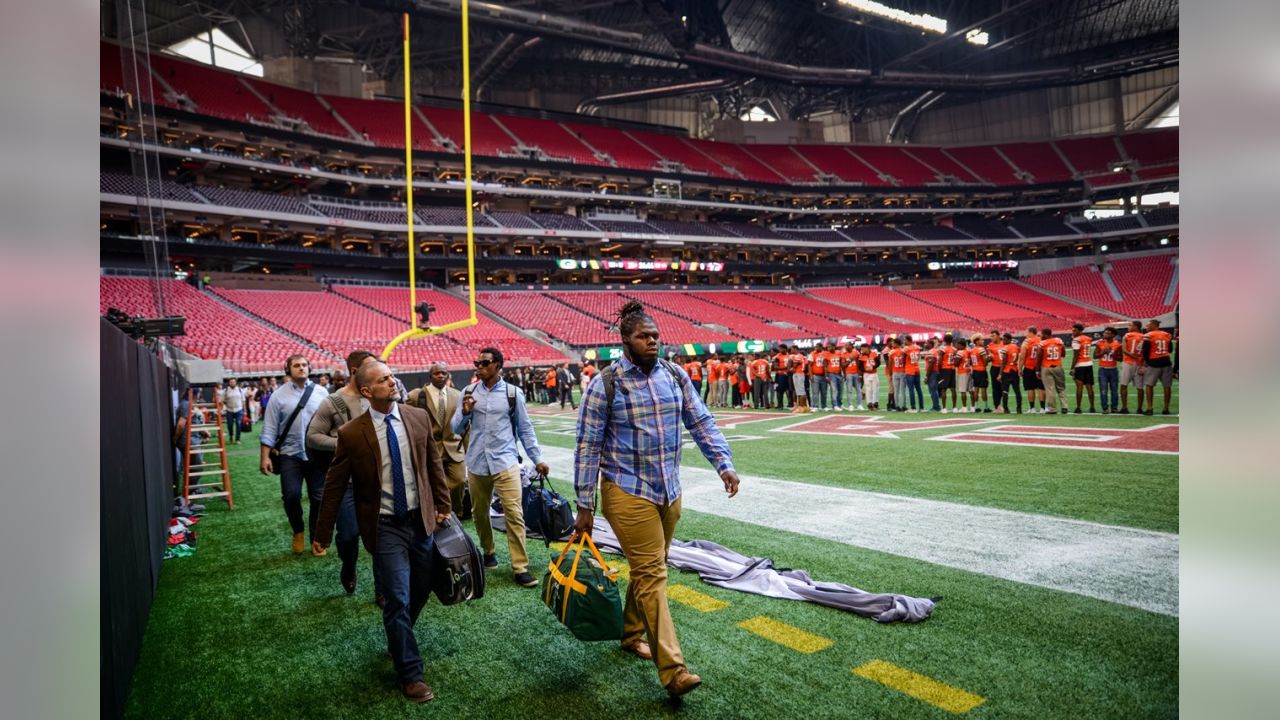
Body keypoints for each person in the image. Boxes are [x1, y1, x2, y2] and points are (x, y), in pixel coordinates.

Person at [573, 300, 740, 699]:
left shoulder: (674, 375)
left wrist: (724, 464)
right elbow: (587, 446)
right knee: (652, 573)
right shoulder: (605, 383)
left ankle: (631, 634)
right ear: (624, 340)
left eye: (655, 336)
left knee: (651, 566)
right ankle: (674, 670)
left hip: (669, 488)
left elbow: (700, 420)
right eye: (643, 337)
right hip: (626, 491)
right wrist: (584, 504)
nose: (652, 342)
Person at [312, 360, 452, 704]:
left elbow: (432, 462)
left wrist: (444, 502)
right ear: (366, 391)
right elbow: (333, 485)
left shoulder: (417, 418)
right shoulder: (351, 433)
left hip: (421, 522)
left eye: (392, 377)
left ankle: (397, 639)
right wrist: (323, 532)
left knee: (421, 589)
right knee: (398, 598)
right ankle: (410, 672)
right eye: (384, 380)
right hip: (385, 526)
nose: (393, 382)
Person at [451, 347, 549, 588]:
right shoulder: (468, 392)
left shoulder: (512, 393)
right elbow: (454, 427)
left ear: (498, 365)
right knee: (479, 512)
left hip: (505, 461)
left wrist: (537, 458)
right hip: (476, 462)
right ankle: (489, 551)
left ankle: (520, 567)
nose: (479, 366)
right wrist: (465, 413)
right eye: (477, 362)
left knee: (514, 513)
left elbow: (525, 429)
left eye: (484, 363)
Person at [306, 350, 379, 599]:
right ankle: (348, 567)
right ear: (356, 372)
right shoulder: (333, 402)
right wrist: (343, 443)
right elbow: (313, 436)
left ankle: (383, 589)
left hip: (379, 480)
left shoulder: (381, 396)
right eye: (371, 369)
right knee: (348, 535)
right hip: (348, 482)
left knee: (383, 537)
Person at [260, 354, 329, 554]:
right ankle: (297, 531)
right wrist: (264, 456)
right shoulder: (278, 396)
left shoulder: (321, 392)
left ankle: (316, 538)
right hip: (290, 454)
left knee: (319, 498)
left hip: (317, 454)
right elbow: (270, 428)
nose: (301, 368)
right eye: (296, 365)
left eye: (304, 365)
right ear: (288, 369)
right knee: (291, 496)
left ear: (310, 368)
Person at [408, 362, 470, 520]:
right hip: (429, 449)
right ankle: (436, 513)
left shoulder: (457, 395)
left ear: (448, 375)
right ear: (430, 376)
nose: (441, 376)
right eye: (437, 373)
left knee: (460, 481)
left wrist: (468, 449)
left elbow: (465, 425)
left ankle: (454, 512)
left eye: (444, 373)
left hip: (454, 448)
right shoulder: (417, 396)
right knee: (431, 482)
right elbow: (407, 422)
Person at [1141, 319, 1175, 415]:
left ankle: (1150, 408)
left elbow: (1145, 351)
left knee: (1149, 385)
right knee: (1167, 386)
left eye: (1148, 325)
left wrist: (1147, 362)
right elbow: (1170, 349)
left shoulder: (1148, 335)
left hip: (1153, 363)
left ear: (1153, 325)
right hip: (1166, 362)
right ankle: (1166, 408)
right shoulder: (1167, 334)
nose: (1146, 327)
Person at [1039, 328, 1068, 414]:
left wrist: (1037, 370)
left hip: (1046, 367)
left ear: (1046, 334)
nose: (1041, 336)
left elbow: (1039, 357)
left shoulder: (1042, 343)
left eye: (1042, 334)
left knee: (1050, 389)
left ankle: (1052, 408)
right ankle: (1064, 407)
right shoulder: (1058, 341)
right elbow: (1063, 354)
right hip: (1058, 366)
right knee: (1061, 387)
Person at [1120, 320, 1147, 415]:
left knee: (1123, 385)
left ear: (1135, 326)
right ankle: (1139, 408)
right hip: (1140, 363)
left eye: (1130, 325)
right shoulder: (1144, 337)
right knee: (1140, 387)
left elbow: (1124, 350)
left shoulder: (1127, 335)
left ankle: (1124, 408)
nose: (1128, 326)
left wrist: (1133, 356)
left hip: (1128, 362)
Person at [1070, 323, 1097, 414]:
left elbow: (1076, 355)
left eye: (1075, 330)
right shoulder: (1088, 338)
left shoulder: (1076, 340)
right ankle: (1092, 407)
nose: (1073, 332)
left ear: (1080, 331)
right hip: (1089, 364)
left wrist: (1072, 368)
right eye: (1073, 330)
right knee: (1089, 387)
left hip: (1080, 365)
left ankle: (1078, 407)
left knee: (1079, 387)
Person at [1018, 327, 1045, 413]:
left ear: (1031, 332)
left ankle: (1032, 408)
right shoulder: (1041, 340)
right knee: (1040, 388)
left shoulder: (1027, 341)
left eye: (1026, 332)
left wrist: (1020, 368)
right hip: (1040, 367)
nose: (1025, 334)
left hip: (1029, 367)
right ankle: (1042, 408)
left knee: (1030, 388)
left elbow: (1022, 356)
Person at [1094, 327, 1121, 414]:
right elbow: (1095, 356)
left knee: (1114, 390)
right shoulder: (1100, 343)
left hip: (1113, 369)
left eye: (1108, 333)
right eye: (1105, 333)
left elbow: (1121, 358)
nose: (1105, 334)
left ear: (1113, 335)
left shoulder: (1117, 344)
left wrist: (1113, 355)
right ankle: (1105, 408)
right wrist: (1103, 352)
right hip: (1103, 369)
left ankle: (1114, 407)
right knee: (1103, 390)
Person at [999, 332, 1023, 414]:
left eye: (1005, 339)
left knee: (1005, 391)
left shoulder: (1005, 348)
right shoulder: (1016, 347)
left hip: (1007, 371)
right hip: (1015, 370)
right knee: (1017, 391)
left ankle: (1006, 409)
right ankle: (1019, 408)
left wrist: (1000, 374)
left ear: (1009, 339)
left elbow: (1003, 362)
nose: (1003, 341)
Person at [968, 335, 991, 413]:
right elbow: (985, 363)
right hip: (982, 371)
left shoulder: (972, 350)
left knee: (976, 389)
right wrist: (989, 357)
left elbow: (970, 362)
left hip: (975, 371)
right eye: (981, 340)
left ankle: (976, 406)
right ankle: (986, 407)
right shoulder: (981, 349)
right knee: (983, 389)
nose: (983, 341)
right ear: (977, 341)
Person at [222, 377, 246, 444]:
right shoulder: (225, 390)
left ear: (236, 383)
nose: (232, 383)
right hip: (229, 410)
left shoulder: (240, 390)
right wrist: (224, 407)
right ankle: (231, 436)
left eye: (233, 382)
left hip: (239, 410)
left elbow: (243, 401)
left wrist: (245, 410)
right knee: (230, 425)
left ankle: (238, 439)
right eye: (231, 382)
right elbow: (223, 401)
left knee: (238, 424)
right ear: (229, 383)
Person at [842, 341, 864, 411]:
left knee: (859, 390)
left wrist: (860, 374)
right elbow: (843, 365)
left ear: (851, 346)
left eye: (847, 345)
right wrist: (850, 360)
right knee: (849, 390)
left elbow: (859, 364)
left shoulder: (856, 353)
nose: (846, 347)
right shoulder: (844, 354)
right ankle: (850, 405)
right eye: (845, 345)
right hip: (848, 373)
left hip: (856, 373)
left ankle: (859, 405)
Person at [903, 337, 923, 413]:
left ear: (908, 340)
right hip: (917, 369)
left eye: (905, 340)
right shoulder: (917, 347)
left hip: (909, 370)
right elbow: (918, 357)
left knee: (911, 389)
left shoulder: (906, 349)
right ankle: (921, 407)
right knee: (919, 389)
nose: (904, 341)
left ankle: (913, 407)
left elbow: (903, 359)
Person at [937, 333, 956, 412]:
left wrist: (939, 370)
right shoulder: (954, 349)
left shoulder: (942, 349)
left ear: (944, 340)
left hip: (944, 369)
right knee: (953, 389)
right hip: (952, 369)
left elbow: (939, 361)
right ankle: (954, 407)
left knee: (943, 389)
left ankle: (944, 408)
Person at [953, 338, 973, 413]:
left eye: (957, 344)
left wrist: (955, 357)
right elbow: (971, 361)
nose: (956, 346)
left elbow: (956, 364)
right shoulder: (968, 351)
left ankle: (964, 407)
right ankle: (973, 407)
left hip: (962, 372)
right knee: (971, 390)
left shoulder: (960, 352)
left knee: (963, 391)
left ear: (961, 345)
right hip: (969, 370)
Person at [789, 345, 810, 413]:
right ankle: (804, 406)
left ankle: (801, 407)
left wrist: (792, 368)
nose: (791, 351)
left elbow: (796, 363)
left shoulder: (797, 356)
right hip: (801, 373)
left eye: (792, 349)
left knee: (800, 391)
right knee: (801, 391)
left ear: (795, 349)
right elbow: (806, 364)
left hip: (798, 373)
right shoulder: (802, 356)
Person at [988, 330, 1005, 411]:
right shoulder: (990, 346)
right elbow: (988, 359)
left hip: (1004, 368)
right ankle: (996, 405)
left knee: (1004, 387)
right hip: (995, 368)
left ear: (998, 336)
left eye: (993, 335)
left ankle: (1003, 405)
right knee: (995, 388)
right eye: (991, 336)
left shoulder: (1004, 343)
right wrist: (989, 357)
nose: (992, 337)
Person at [887, 338, 906, 412]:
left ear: (897, 344)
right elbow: (904, 361)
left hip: (895, 372)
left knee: (896, 390)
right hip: (902, 371)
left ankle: (897, 406)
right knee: (903, 390)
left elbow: (890, 364)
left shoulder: (891, 352)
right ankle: (903, 406)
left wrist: (890, 374)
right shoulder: (903, 351)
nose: (892, 344)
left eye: (893, 343)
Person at [810, 344, 830, 411]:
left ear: (821, 347)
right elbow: (809, 365)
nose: (816, 348)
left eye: (817, 347)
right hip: (815, 375)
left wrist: (827, 375)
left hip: (823, 376)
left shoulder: (826, 353)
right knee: (815, 392)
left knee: (824, 392)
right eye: (815, 347)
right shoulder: (812, 354)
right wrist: (811, 375)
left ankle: (824, 406)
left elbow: (827, 365)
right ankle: (815, 406)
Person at [861, 343, 880, 411]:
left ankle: (875, 403)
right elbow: (860, 366)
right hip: (866, 374)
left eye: (863, 348)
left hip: (874, 373)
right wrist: (865, 369)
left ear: (867, 348)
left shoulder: (874, 353)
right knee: (868, 389)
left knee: (875, 389)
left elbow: (878, 362)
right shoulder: (861, 356)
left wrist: (873, 367)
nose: (862, 350)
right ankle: (869, 404)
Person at [924, 338, 942, 412]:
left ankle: (936, 406)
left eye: (926, 343)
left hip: (932, 373)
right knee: (934, 390)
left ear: (930, 344)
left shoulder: (931, 352)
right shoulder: (936, 351)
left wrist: (927, 376)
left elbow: (931, 364)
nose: (925, 344)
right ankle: (936, 405)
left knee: (932, 390)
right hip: (936, 371)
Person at [773, 345, 793, 409]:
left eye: (781, 349)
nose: (780, 350)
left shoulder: (789, 356)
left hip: (788, 375)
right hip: (780, 376)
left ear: (785, 349)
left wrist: (788, 369)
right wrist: (785, 368)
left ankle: (790, 404)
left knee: (789, 390)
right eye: (780, 349)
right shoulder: (777, 357)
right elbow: (775, 367)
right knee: (779, 390)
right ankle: (780, 405)